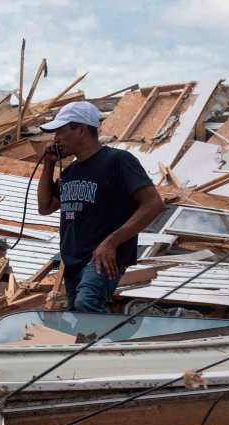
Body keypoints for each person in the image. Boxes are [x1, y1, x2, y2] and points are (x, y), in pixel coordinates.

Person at [37, 101, 164, 313]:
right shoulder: (70, 171)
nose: (55, 139)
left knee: (86, 303)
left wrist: (112, 242)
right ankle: (98, 345)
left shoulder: (117, 161)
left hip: (101, 258)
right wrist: (48, 164)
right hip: (73, 259)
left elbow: (154, 204)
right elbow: (45, 206)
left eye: (60, 131)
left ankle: (115, 345)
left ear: (81, 129)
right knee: (79, 318)